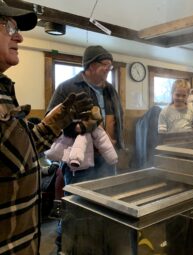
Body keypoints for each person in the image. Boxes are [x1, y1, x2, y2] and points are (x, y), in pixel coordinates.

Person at [0, 2, 94, 254]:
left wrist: (56, 119)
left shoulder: (3, 90)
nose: (19, 36)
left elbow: (23, 156)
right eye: (9, 27)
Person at [46, 45, 124, 252]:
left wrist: (118, 145)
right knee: (76, 208)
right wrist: (79, 127)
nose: (109, 69)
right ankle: (66, 247)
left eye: (110, 65)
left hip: (107, 158)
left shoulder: (110, 89)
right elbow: (50, 121)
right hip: (79, 162)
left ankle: (96, 246)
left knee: (105, 207)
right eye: (104, 65)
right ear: (90, 65)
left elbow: (116, 119)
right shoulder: (67, 87)